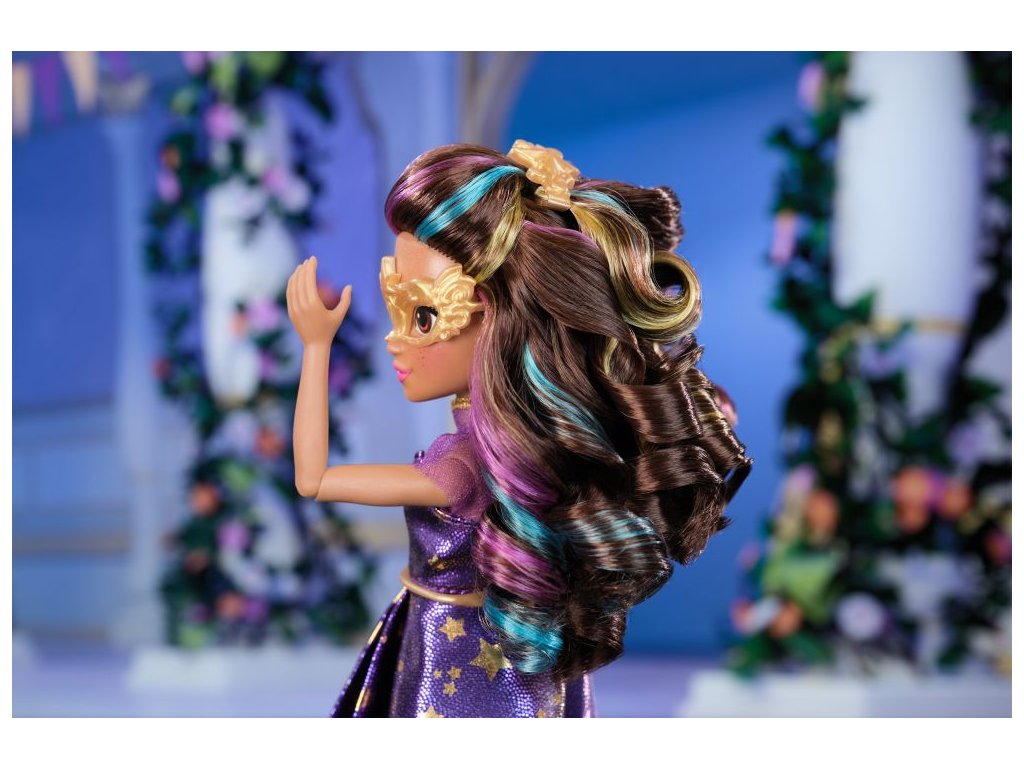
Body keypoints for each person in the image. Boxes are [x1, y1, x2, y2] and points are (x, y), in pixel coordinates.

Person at [287, 139, 752, 718]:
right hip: (491, 649)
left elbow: (314, 478)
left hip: (456, 662)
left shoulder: (461, 469)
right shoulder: (511, 451)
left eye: (424, 316)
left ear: (497, 318)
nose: (394, 339)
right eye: (395, 310)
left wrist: (315, 347)